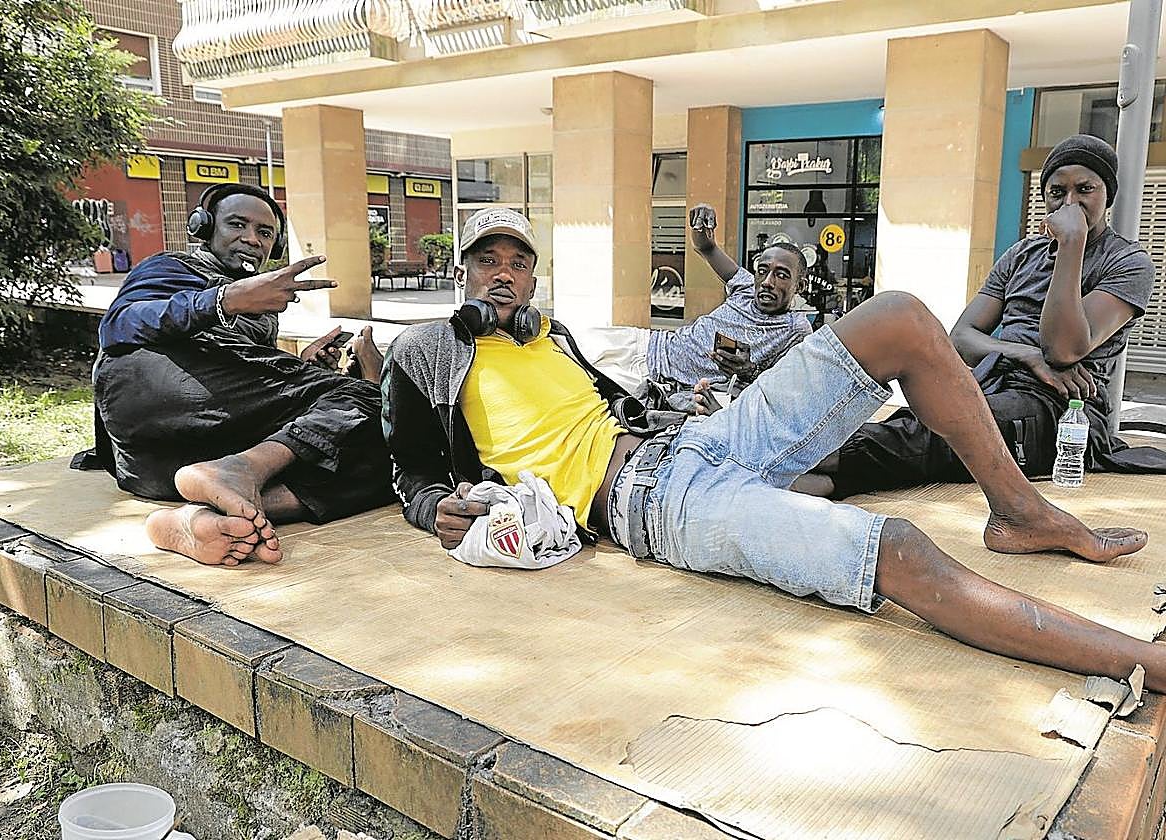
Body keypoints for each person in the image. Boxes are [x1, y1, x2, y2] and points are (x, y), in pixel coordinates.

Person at [382, 206, 1166, 695]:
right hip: (652, 505)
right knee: (896, 548)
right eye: (490, 259)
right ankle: (1145, 663)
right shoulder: (423, 351)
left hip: (694, 441)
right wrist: (432, 507)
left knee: (897, 315)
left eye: (520, 263)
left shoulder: (552, 338)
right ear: (463, 268)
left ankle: (1021, 512)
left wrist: (662, 405)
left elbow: (606, 409)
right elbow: (403, 468)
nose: (506, 275)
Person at [73, 183, 395, 566]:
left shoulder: (264, 307)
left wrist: (306, 369)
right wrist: (226, 300)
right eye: (237, 224)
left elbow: (245, 386)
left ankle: (205, 517)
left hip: (171, 471)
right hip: (147, 404)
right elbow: (119, 326)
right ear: (205, 227)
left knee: (399, 456)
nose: (251, 239)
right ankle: (243, 471)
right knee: (373, 401)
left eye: (264, 233)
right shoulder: (172, 266)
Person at [828, 134, 1166, 498]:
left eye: (1085, 189)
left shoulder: (1128, 262)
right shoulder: (1022, 255)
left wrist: (1072, 244)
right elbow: (961, 338)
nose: (1070, 203)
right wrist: (1026, 355)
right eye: (1057, 192)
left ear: (1107, 195)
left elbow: (1064, 350)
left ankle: (806, 462)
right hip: (992, 385)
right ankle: (813, 470)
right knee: (919, 417)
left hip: (1062, 411)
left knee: (940, 433)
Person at [577, 203, 811, 393]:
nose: (768, 281)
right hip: (646, 344)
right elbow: (706, 247)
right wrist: (701, 223)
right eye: (763, 270)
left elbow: (784, 392)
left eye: (781, 275)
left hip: (655, 378)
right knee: (566, 343)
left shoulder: (795, 329)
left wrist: (750, 372)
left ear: (799, 286)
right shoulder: (746, 286)